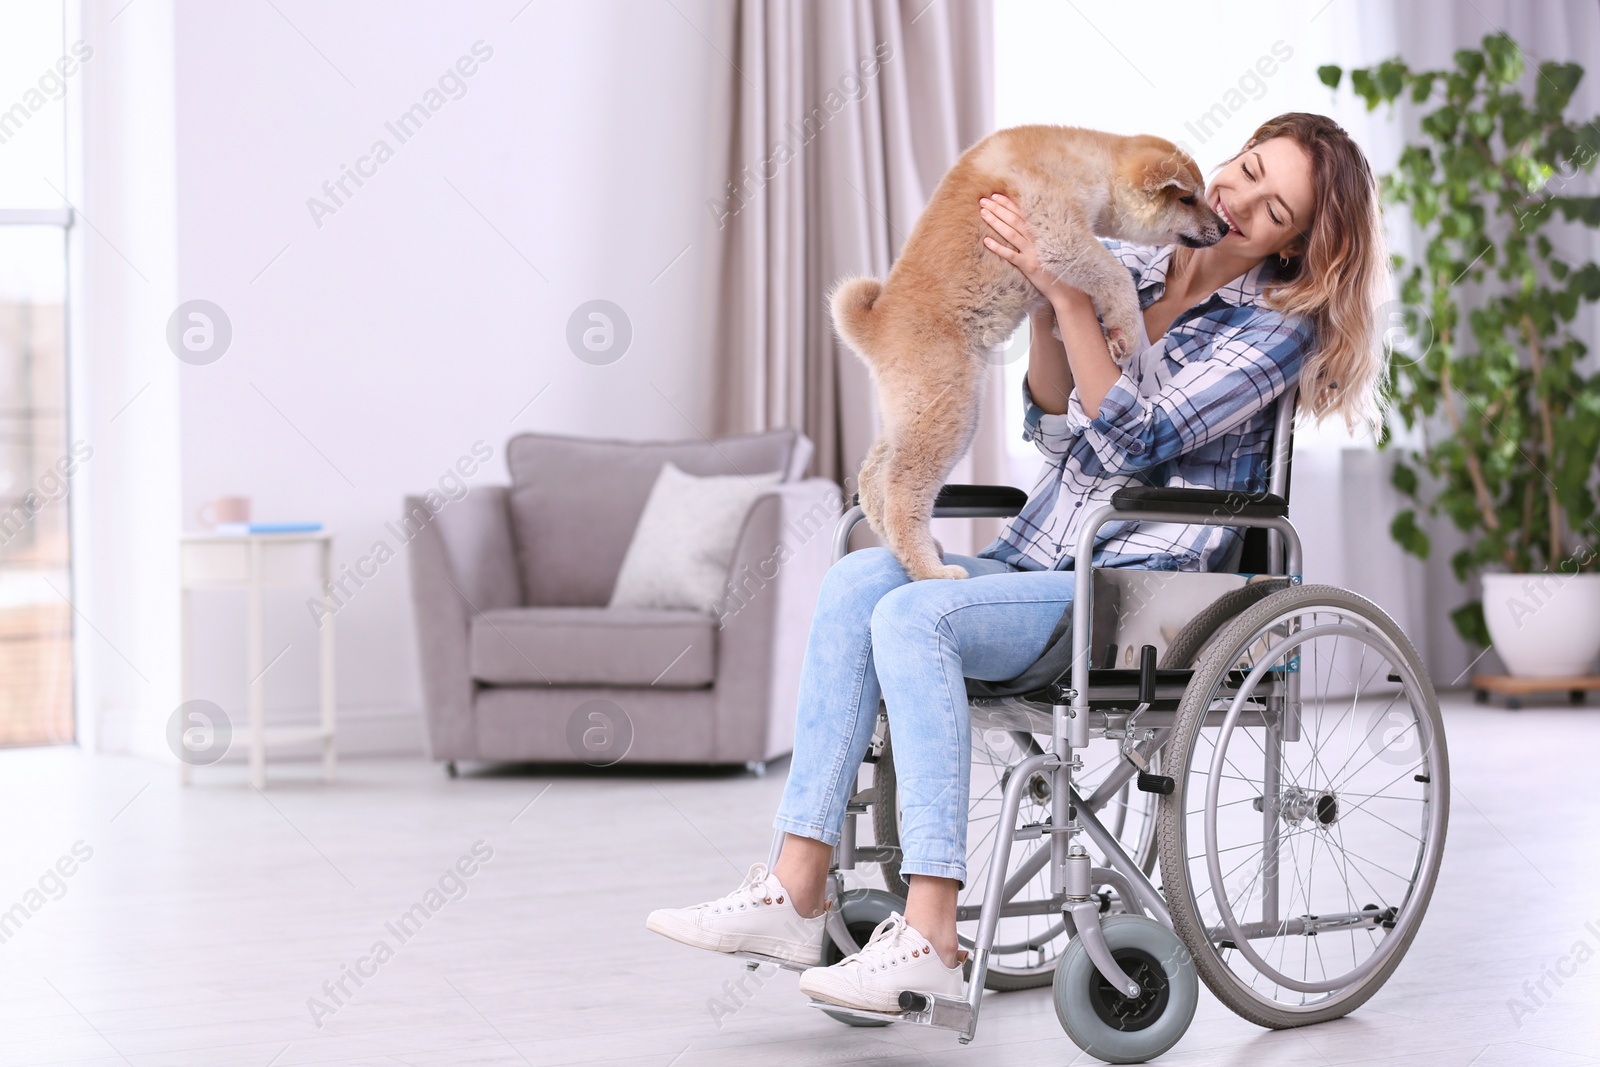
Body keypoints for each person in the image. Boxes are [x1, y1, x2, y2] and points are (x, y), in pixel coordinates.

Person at [647, 112, 1389, 1014]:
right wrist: (1046, 307)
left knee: (913, 614)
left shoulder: (1276, 329)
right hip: (1039, 551)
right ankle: (795, 886)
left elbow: (1135, 438)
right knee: (855, 579)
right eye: (1246, 169)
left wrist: (1070, 291)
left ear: (1296, 244)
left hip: (1136, 593)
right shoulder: (1138, 260)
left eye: (1274, 210)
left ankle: (930, 931)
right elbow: (1048, 425)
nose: (1238, 201)